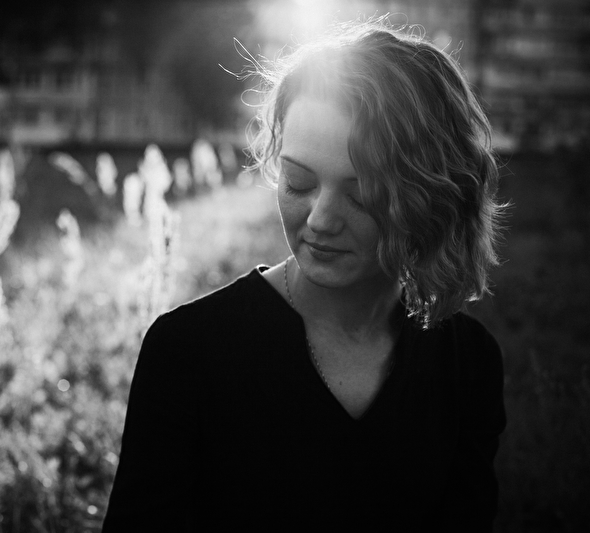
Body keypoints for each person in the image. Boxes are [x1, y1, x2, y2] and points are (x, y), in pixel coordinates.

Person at [102, 19, 506, 532]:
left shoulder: (468, 363)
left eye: (361, 194)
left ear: (431, 195)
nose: (319, 220)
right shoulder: (187, 354)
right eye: (297, 181)